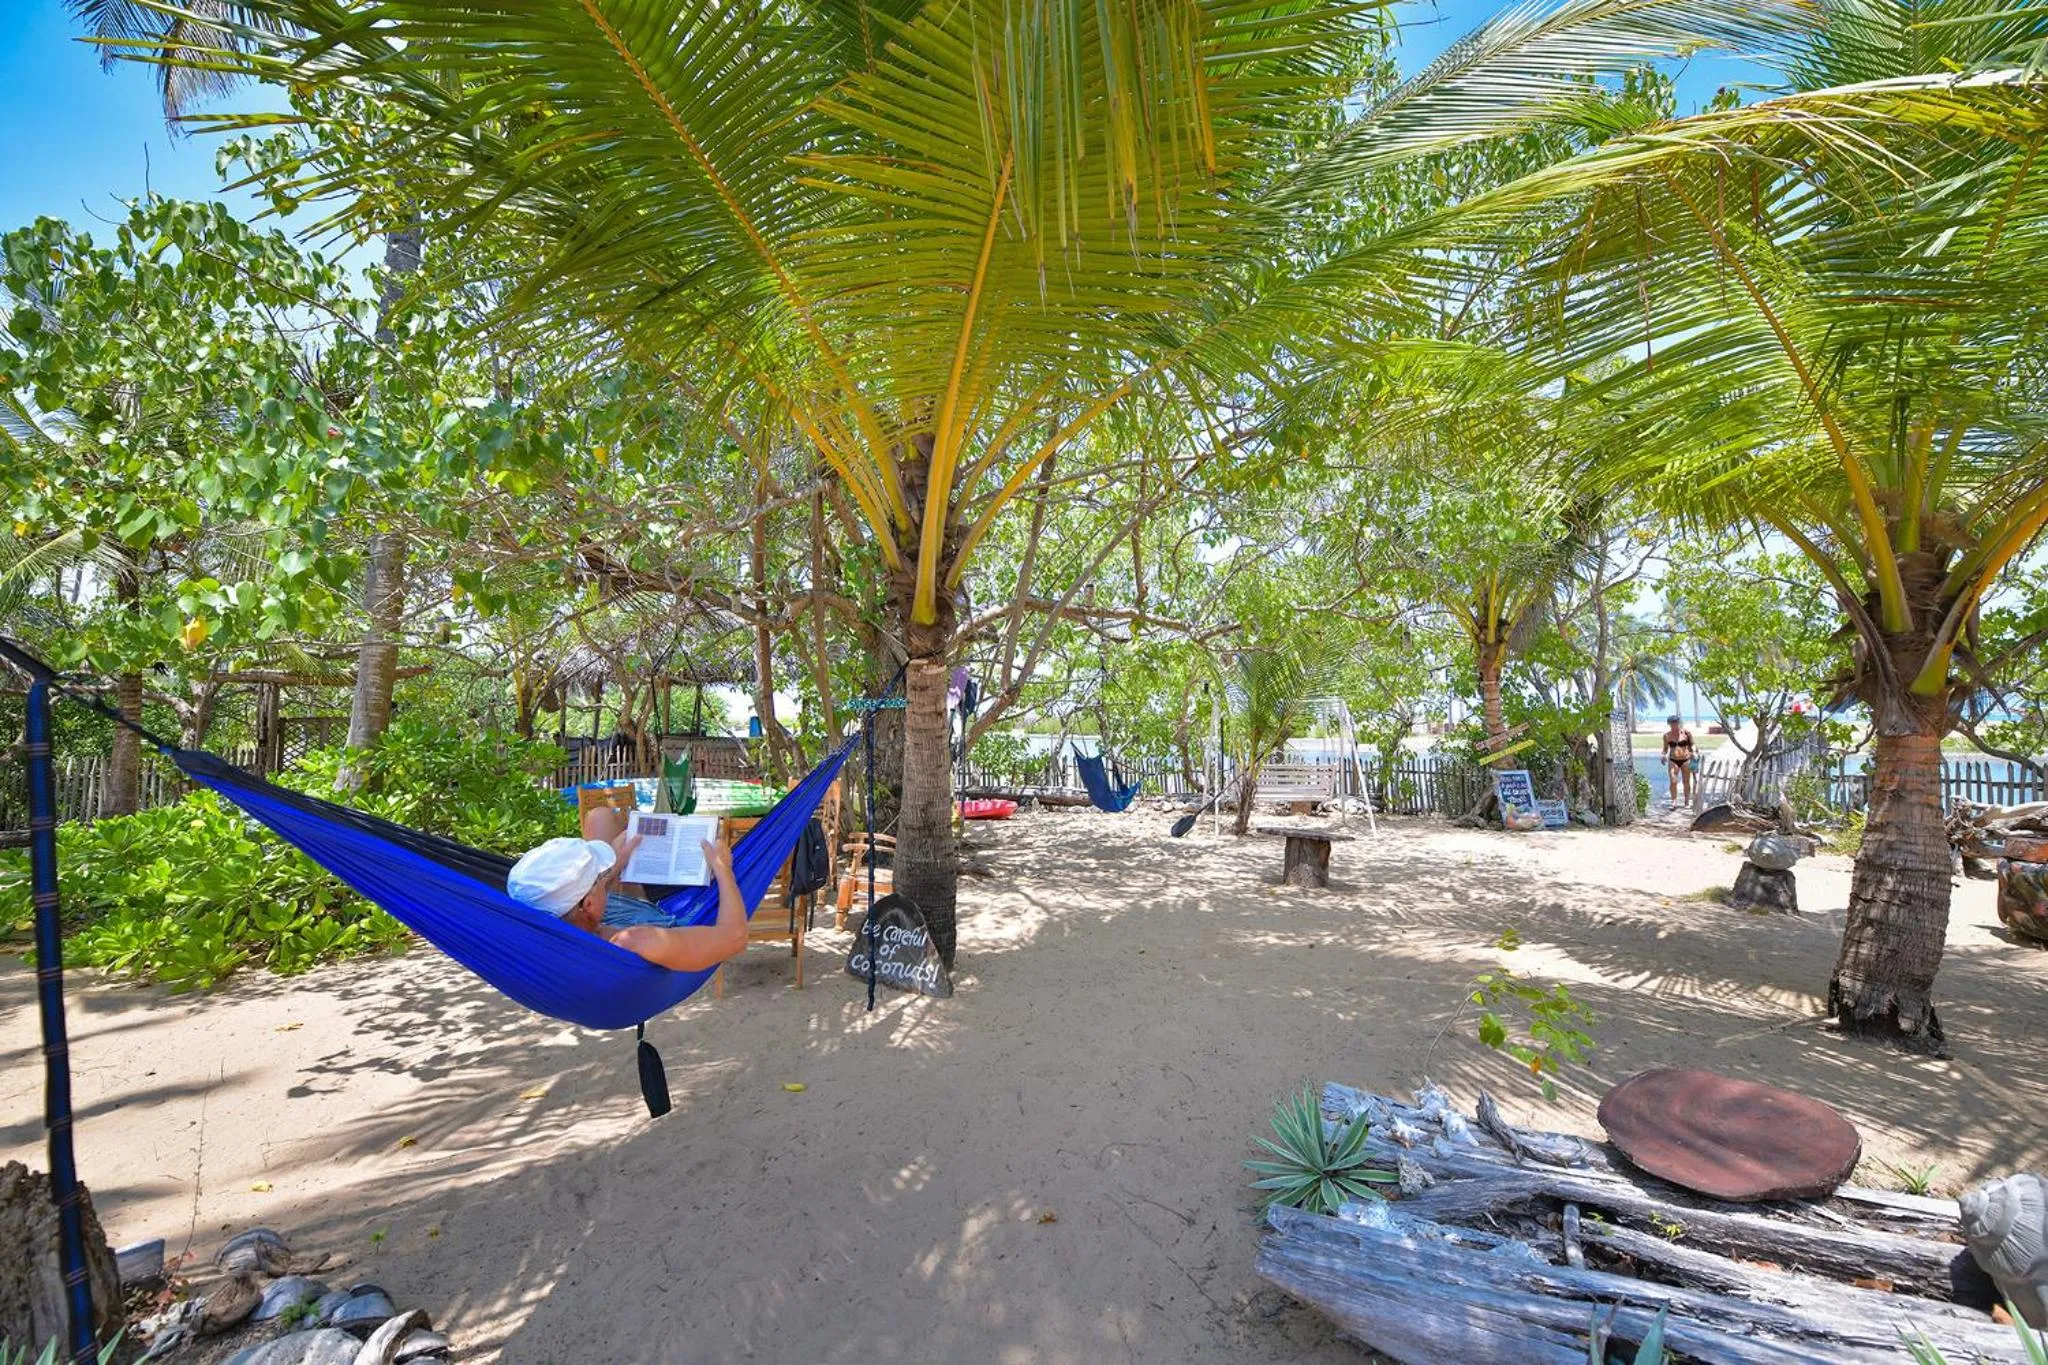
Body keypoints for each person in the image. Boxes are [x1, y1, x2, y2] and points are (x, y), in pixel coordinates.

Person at [506, 807, 748, 972]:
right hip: (649, 920)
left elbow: (587, 910)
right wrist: (722, 869)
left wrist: (617, 864)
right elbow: (735, 938)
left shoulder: (541, 931)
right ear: (587, 904)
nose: (607, 878)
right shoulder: (637, 941)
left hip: (599, 919)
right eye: (600, 879)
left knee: (600, 817)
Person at [1661, 715, 1697, 808]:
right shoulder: (1666, 736)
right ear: (1669, 724)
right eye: (1672, 724)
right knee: (1673, 781)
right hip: (1673, 760)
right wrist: (1663, 755)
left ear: (1678, 723)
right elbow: (1665, 749)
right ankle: (1674, 802)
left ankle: (1686, 802)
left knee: (1686, 781)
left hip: (1686, 759)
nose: (1674, 726)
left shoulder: (1686, 733)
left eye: (1676, 723)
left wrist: (1694, 752)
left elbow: (1692, 745)